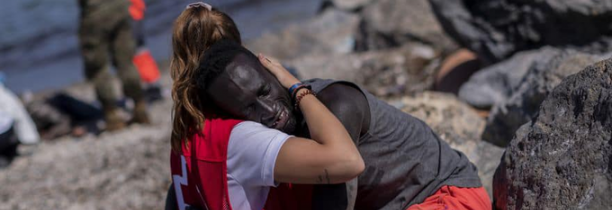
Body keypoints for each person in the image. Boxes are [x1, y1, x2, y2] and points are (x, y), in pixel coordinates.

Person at [168, 3, 491, 210]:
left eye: (265, 90)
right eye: (249, 109)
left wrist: (297, 88)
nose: (268, 110)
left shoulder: (336, 102)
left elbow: (335, 194)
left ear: (270, 68)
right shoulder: (249, 128)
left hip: (442, 196)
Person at [169, 6, 364, 210]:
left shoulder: (186, 129)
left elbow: (176, 196)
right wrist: (298, 88)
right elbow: (347, 162)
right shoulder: (240, 137)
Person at [77, 0, 150, 131]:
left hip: (95, 13)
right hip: (120, 7)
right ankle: (140, 106)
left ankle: (112, 115)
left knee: (98, 68)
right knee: (126, 61)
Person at [128, 0, 164, 102]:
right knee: (139, 51)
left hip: (131, 14)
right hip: (133, 13)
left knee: (138, 52)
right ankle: (151, 85)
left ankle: (152, 86)